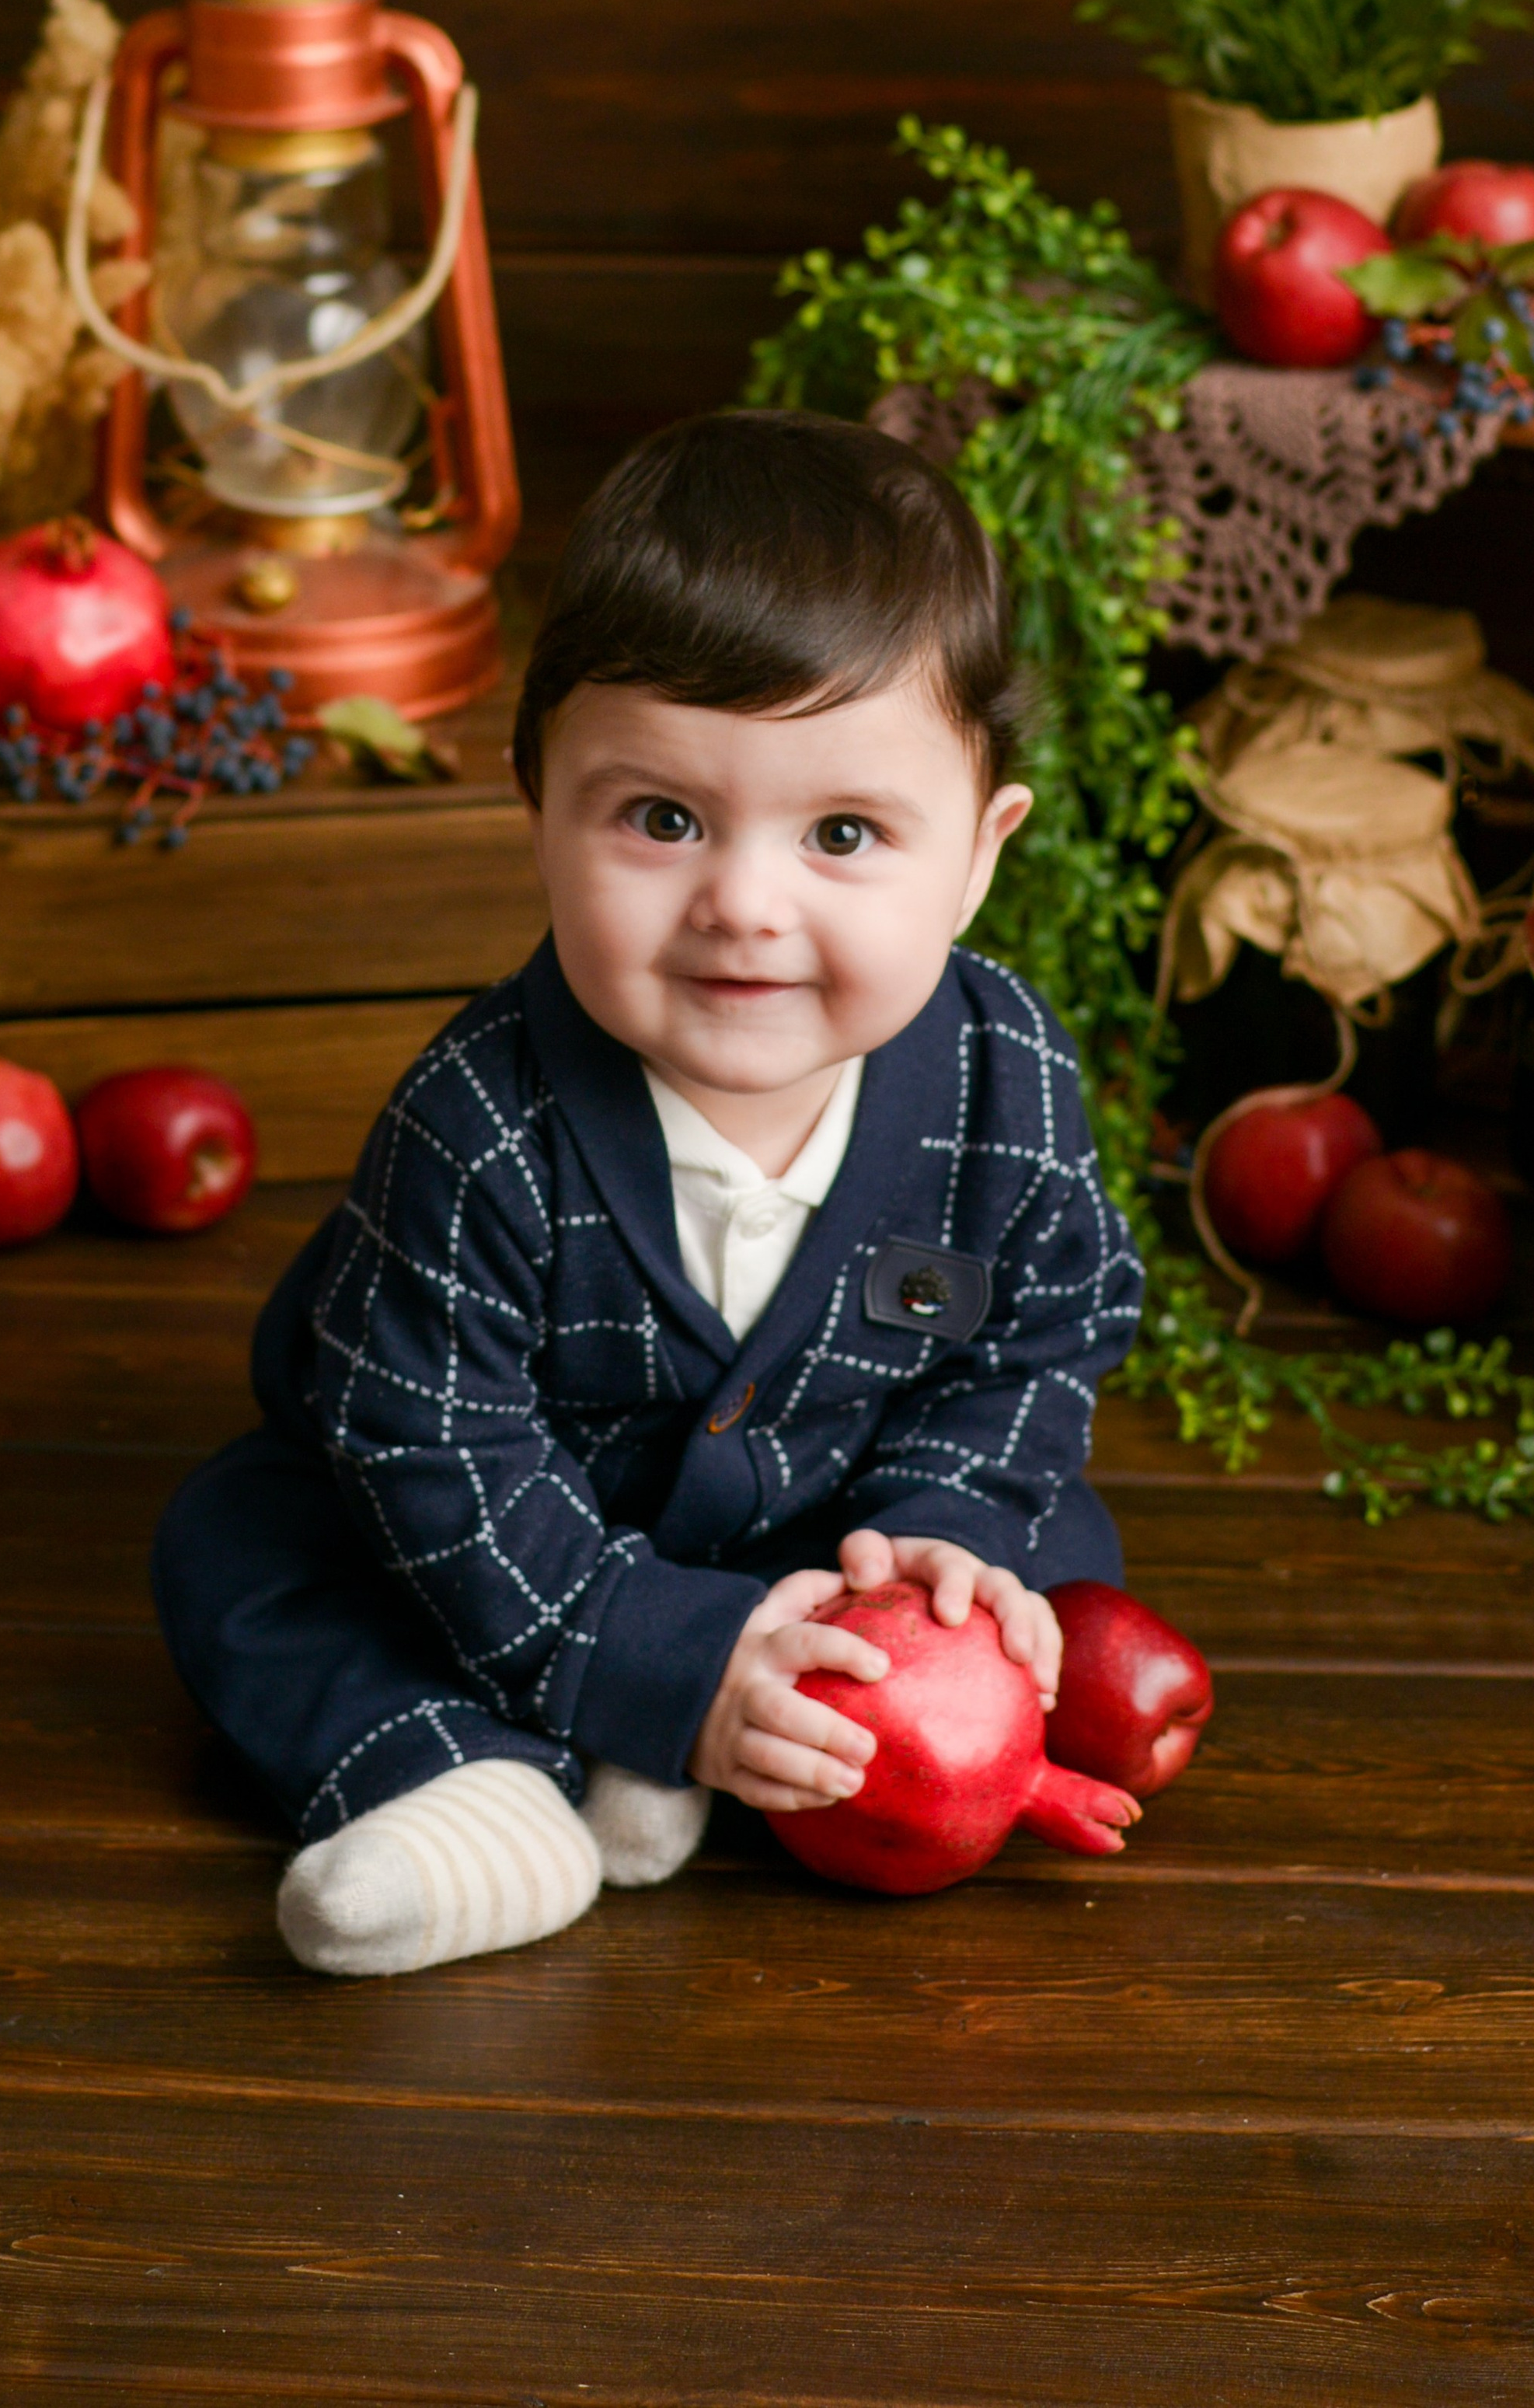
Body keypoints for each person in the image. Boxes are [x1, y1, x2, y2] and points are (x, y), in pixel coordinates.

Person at [154, 411, 1142, 1975]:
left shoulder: (998, 1074)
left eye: (842, 833)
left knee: (1047, 1543)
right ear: (536, 805)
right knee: (244, 1552)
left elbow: (1041, 1328)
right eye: (661, 819)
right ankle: (474, 1785)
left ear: (976, 853)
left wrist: (934, 1536)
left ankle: (753, 1717)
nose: (743, 902)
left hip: (826, 1511)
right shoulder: (478, 1123)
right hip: (502, 1523)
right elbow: (436, 1450)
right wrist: (649, 1649)